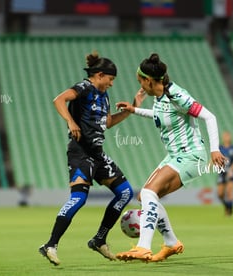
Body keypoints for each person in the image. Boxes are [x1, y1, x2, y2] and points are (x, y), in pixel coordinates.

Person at [115, 53, 227, 262]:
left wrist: (215, 149)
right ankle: (171, 243)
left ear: (149, 80)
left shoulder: (177, 95)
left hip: (191, 155)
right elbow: (161, 116)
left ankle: (143, 247)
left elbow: (209, 116)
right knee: (145, 197)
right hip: (176, 155)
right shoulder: (160, 98)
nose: (139, 85)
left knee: (149, 192)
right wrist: (134, 110)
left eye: (140, 81)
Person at [39, 51, 141, 266]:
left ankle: (99, 239)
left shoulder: (104, 96)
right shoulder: (84, 87)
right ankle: (50, 244)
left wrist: (132, 109)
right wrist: (70, 122)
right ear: (100, 75)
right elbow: (59, 100)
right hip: (80, 152)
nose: (112, 84)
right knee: (78, 199)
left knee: (125, 193)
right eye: (111, 79)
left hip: (97, 153)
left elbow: (107, 123)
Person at [217, 131, 233, 216]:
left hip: (230, 173)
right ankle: (227, 206)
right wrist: (209, 165)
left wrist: (232, 169)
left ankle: (230, 211)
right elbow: (214, 158)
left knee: (229, 192)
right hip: (222, 173)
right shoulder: (219, 148)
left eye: (228, 136)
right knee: (220, 194)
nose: (226, 137)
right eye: (225, 136)